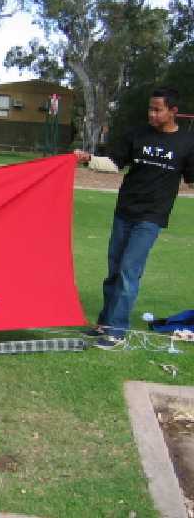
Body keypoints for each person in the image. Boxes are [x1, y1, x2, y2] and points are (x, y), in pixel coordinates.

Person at [74, 87, 194, 350]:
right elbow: (114, 164)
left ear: (173, 111)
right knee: (114, 271)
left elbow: (191, 179)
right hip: (124, 212)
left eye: (157, 110)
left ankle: (117, 332)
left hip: (151, 217)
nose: (152, 114)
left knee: (129, 272)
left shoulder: (187, 143)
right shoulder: (137, 134)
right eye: (150, 108)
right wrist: (88, 159)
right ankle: (104, 324)